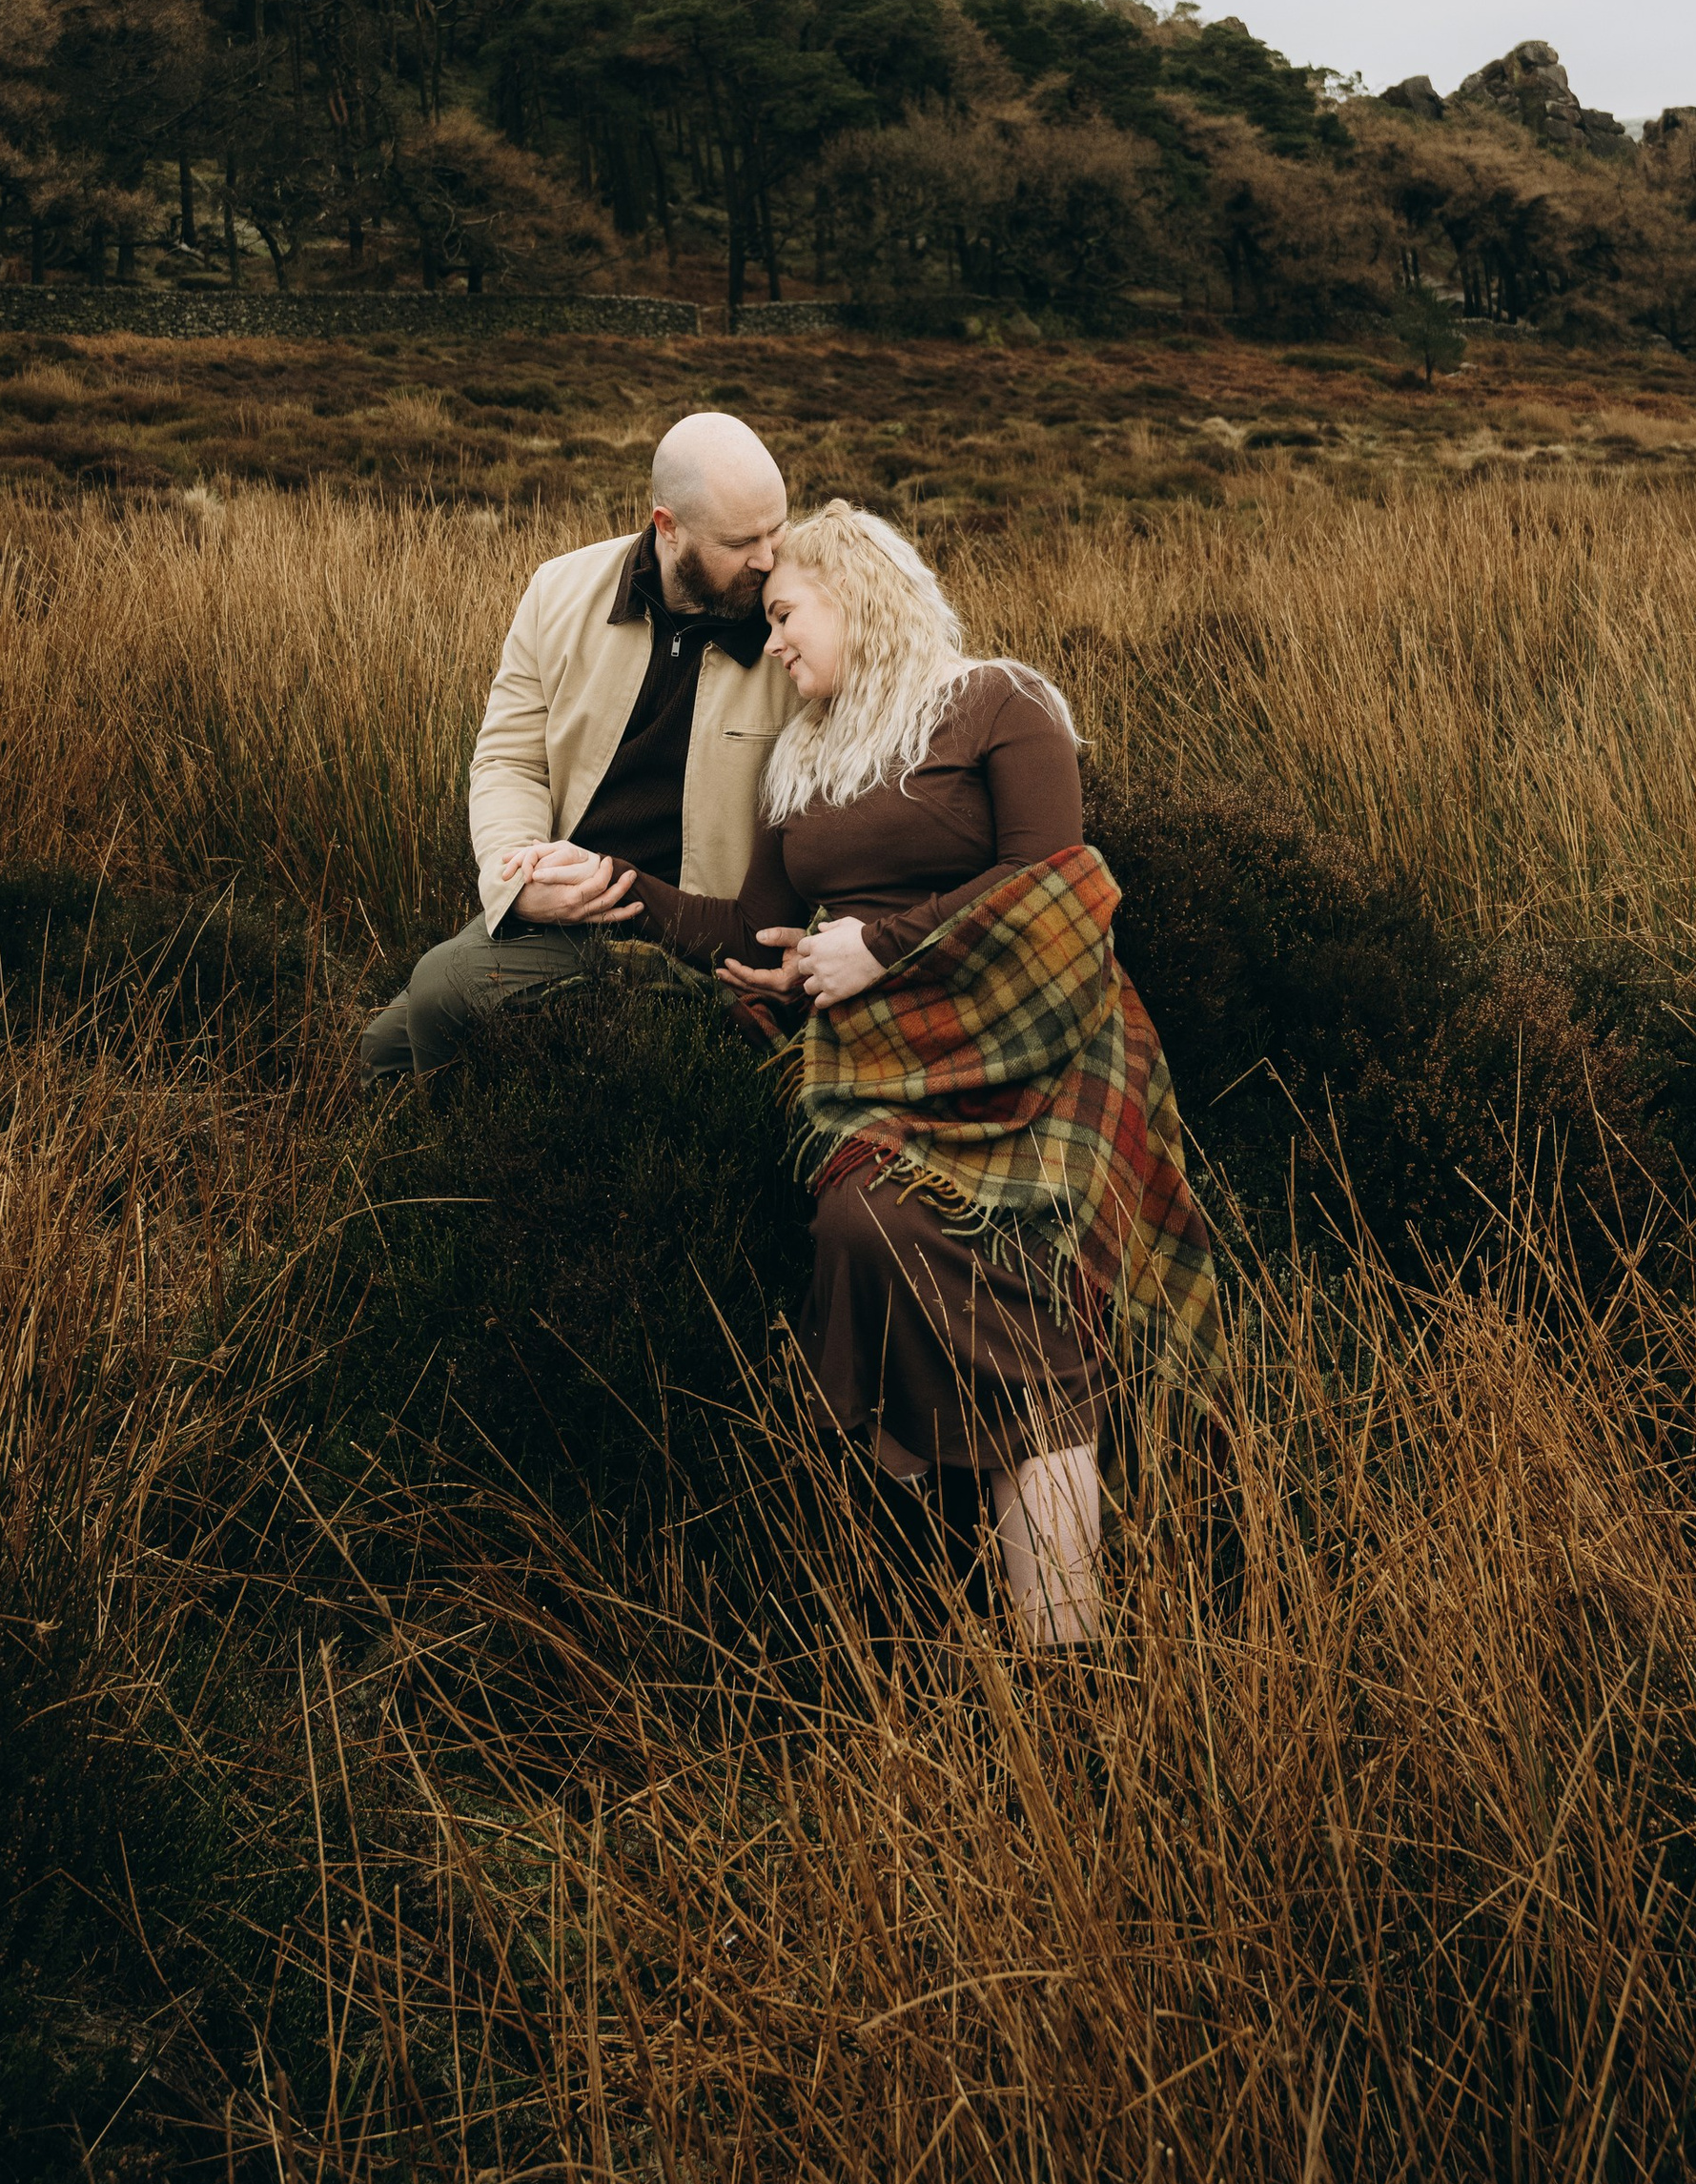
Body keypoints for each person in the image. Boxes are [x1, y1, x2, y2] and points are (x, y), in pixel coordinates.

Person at [503, 499, 1221, 1643]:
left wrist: (880, 945)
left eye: (785, 614)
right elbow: (751, 933)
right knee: (864, 1226)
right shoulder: (799, 758)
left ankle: (1062, 1642)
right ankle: (1029, 1601)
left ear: (855, 594)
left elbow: (1057, 885)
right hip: (877, 1072)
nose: (773, 642)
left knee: (996, 1249)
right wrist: (612, 886)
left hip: (1034, 1045)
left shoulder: (999, 701)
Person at [359, 411, 794, 1079]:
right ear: (667, 526)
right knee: (383, 1055)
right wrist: (516, 884)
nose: (768, 558)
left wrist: (812, 944)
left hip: (702, 934)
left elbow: (855, 798)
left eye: (778, 528)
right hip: (574, 905)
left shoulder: (796, 619)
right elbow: (510, 759)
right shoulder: (558, 590)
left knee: (442, 990)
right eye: (742, 541)